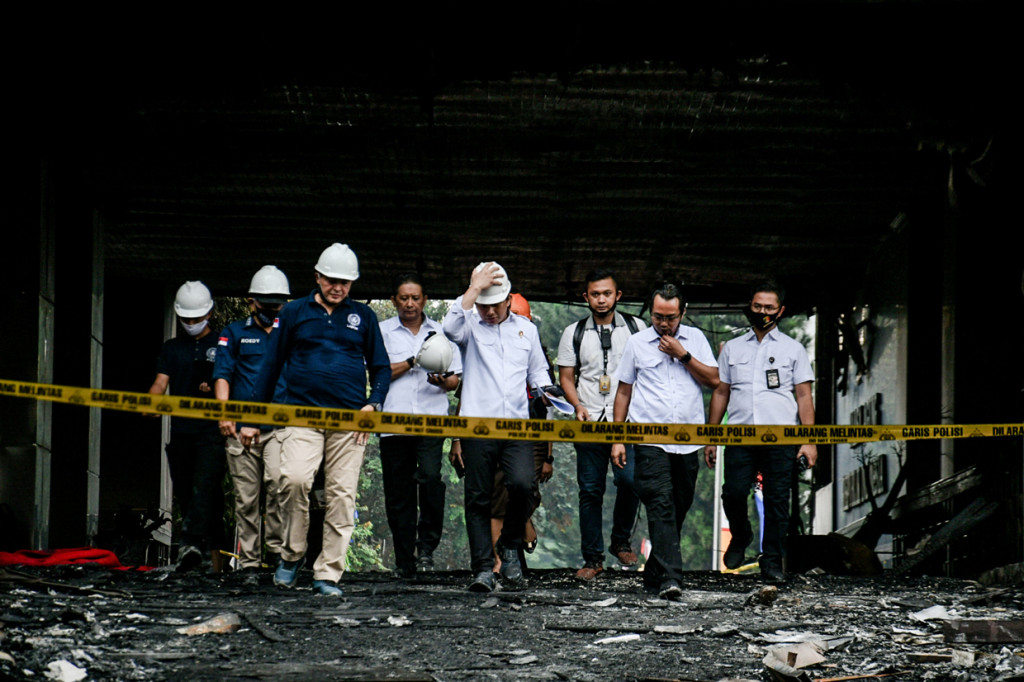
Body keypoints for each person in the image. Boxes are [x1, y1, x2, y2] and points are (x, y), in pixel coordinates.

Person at [251, 243, 390, 596]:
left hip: (350, 423)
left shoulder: (364, 317)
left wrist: (374, 405)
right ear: (317, 277)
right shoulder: (295, 312)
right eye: (332, 280)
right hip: (300, 415)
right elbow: (270, 365)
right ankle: (292, 554)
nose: (338, 287)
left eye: (345, 282)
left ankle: (327, 574)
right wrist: (253, 417)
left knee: (341, 496)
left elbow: (381, 367)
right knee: (292, 480)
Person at [443, 262, 551, 592]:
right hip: (477, 427)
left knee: (522, 486)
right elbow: (449, 327)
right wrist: (473, 288)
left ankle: (509, 545)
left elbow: (539, 376)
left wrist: (555, 398)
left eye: (495, 304)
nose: (489, 311)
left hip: (517, 427)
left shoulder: (527, 330)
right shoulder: (469, 327)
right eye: (483, 305)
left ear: (508, 300)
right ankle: (483, 570)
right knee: (478, 498)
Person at [703, 280, 817, 583]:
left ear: (780, 311)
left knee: (779, 501)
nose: (763, 312)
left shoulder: (793, 349)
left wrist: (809, 441)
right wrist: (712, 437)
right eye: (757, 307)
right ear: (749, 308)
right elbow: (721, 392)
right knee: (734, 493)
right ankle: (740, 536)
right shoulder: (733, 348)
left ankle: (772, 561)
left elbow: (804, 395)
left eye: (769, 308)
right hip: (739, 437)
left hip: (781, 439)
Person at [611, 282, 719, 600]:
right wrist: (618, 439)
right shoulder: (637, 343)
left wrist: (682, 354)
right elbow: (623, 391)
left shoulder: (695, 339)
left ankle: (656, 570)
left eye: (671, 317)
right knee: (660, 503)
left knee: (680, 505)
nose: (664, 323)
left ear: (682, 313)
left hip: (688, 441)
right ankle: (671, 578)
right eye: (658, 316)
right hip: (648, 440)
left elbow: (714, 380)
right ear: (650, 312)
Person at [556, 269, 645, 581]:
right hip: (590, 419)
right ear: (586, 298)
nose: (602, 299)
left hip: (628, 421)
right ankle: (592, 558)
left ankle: (620, 541)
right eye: (595, 294)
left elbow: (644, 373)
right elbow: (566, 377)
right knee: (590, 490)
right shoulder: (574, 332)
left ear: (618, 296)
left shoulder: (637, 327)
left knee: (631, 480)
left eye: (607, 293)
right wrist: (577, 405)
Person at [379, 272, 462, 578]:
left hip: (430, 420)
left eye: (416, 298)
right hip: (393, 422)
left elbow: (456, 379)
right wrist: (414, 361)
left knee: (429, 479)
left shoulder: (442, 332)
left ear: (425, 299)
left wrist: (445, 380)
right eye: (404, 298)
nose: (410, 304)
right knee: (398, 492)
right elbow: (377, 373)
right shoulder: (382, 331)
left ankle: (426, 549)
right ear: (393, 301)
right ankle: (404, 560)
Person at [212, 265, 291, 583]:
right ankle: (249, 564)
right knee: (247, 498)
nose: (271, 309)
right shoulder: (232, 333)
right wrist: (224, 414)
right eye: (266, 303)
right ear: (251, 301)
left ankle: (275, 552)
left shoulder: (291, 334)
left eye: (277, 304)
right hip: (239, 431)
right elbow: (222, 375)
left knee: (278, 487)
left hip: (279, 429)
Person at [147, 281, 225, 572]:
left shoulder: (223, 344)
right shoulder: (172, 348)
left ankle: (193, 546)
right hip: (181, 435)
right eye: (186, 319)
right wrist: (151, 403)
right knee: (186, 493)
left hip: (212, 435)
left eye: (197, 318)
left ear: (210, 313)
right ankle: (202, 555)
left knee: (204, 490)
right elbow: (160, 382)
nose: (191, 324)